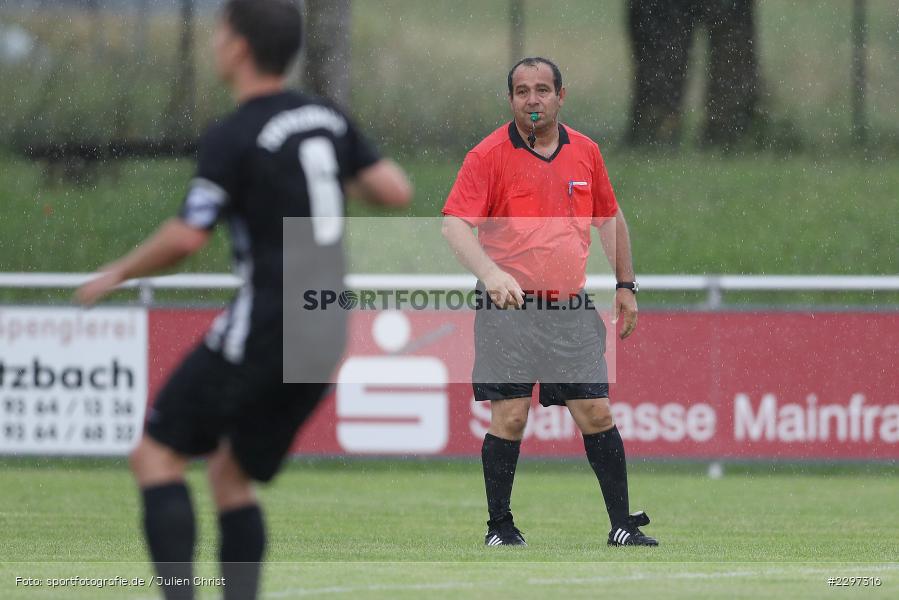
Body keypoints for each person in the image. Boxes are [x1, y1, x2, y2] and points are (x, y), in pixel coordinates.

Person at [76, 1, 411, 598]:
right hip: (326, 324)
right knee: (230, 475)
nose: (214, 44)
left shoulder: (235, 134)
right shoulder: (324, 116)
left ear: (237, 48)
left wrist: (117, 271)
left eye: (219, 33)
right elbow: (394, 190)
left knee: (156, 457)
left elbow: (187, 234)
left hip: (271, 316)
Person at [441, 57, 657, 547]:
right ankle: (500, 527)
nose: (532, 100)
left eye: (542, 90)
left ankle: (621, 525)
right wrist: (491, 274)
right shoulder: (487, 155)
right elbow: (454, 224)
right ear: (511, 99)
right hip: (509, 311)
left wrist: (626, 285)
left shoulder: (586, 152)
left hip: (569, 308)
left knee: (596, 413)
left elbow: (610, 218)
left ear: (562, 96)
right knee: (511, 416)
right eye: (522, 91)